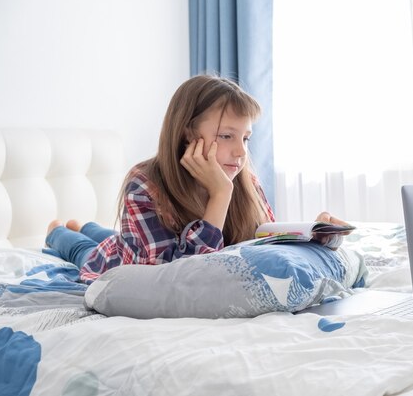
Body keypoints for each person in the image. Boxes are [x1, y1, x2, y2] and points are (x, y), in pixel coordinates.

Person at [43, 74, 347, 284]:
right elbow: (175, 278)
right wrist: (219, 196)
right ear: (188, 133)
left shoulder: (245, 181)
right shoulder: (144, 184)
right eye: (227, 136)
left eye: (246, 138)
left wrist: (312, 236)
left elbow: (261, 248)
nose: (240, 152)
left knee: (107, 235)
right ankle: (58, 230)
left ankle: (84, 226)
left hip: (132, 241)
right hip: (119, 259)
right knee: (86, 250)